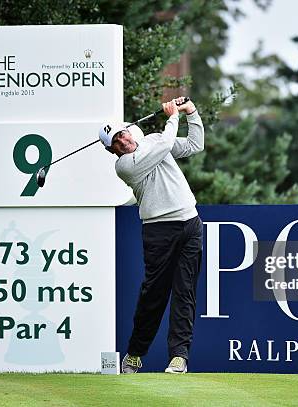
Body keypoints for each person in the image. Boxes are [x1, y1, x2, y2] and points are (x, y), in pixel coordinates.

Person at [99, 97, 204, 374]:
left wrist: (190, 111)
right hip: (159, 231)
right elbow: (167, 143)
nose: (122, 143)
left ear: (129, 131)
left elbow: (195, 144)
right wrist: (172, 116)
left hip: (190, 223)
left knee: (185, 292)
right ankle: (134, 354)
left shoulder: (154, 141)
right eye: (115, 144)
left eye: (121, 135)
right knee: (153, 296)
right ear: (113, 152)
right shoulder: (124, 166)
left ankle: (179, 357)